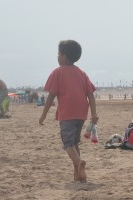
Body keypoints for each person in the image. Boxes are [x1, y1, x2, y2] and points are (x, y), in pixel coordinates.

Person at [38, 40, 98, 183]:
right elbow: (90, 94)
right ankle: (78, 174)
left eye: (58, 54)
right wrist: (94, 114)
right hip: (81, 113)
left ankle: (79, 163)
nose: (57, 56)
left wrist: (43, 115)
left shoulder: (58, 72)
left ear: (64, 56)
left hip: (67, 113)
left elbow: (51, 96)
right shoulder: (82, 73)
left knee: (68, 144)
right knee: (75, 142)